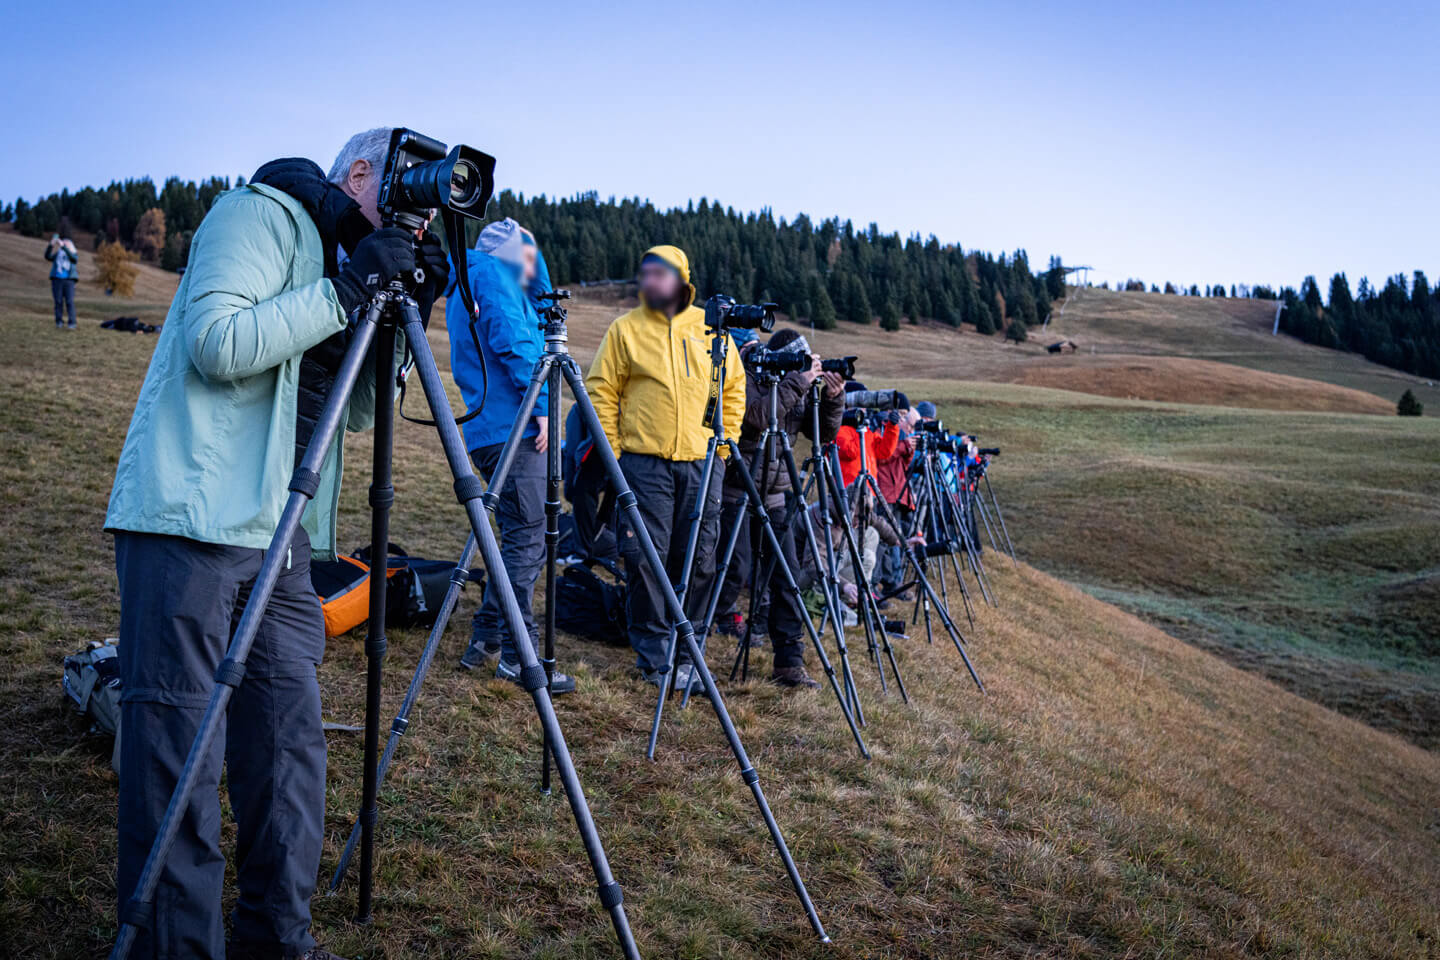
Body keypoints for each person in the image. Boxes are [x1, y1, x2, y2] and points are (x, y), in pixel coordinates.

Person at [103, 127, 447, 960]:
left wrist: (398, 319)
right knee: (177, 752)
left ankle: (276, 940)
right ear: (359, 172)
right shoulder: (260, 214)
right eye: (412, 186)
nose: (425, 209)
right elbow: (217, 345)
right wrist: (344, 289)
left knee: (288, 749)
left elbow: (357, 415)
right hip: (192, 519)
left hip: (282, 535)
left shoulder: (351, 264)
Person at [586, 245, 745, 692]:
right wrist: (614, 452)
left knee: (699, 558)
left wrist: (723, 449)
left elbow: (733, 390)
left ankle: (687, 652)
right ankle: (655, 659)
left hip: (702, 463)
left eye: (659, 273)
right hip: (643, 464)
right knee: (644, 560)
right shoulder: (625, 329)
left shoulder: (711, 331)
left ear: (681, 279)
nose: (649, 280)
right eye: (645, 273)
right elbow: (601, 391)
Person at [448, 218, 575, 694]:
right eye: (526, 252)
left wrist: (530, 255)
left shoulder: (475, 276)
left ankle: (485, 637)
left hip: (493, 428)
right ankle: (520, 657)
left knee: (522, 538)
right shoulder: (493, 277)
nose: (531, 262)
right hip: (514, 427)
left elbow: (541, 309)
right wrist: (542, 406)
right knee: (528, 539)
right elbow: (516, 342)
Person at [715, 329, 845, 688]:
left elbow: (823, 435)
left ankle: (789, 663)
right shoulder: (749, 376)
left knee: (786, 578)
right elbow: (756, 417)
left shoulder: (795, 385)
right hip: (736, 488)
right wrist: (798, 381)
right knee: (731, 566)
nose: (805, 369)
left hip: (774, 496)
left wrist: (833, 399)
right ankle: (696, 640)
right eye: (799, 362)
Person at [876, 401, 925, 598]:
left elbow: (902, 465)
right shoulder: (881, 427)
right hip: (885, 491)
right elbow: (882, 456)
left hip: (896, 492)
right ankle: (885, 583)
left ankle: (893, 582)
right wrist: (905, 446)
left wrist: (909, 449)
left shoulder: (901, 435)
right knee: (884, 540)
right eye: (906, 420)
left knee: (895, 538)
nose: (909, 427)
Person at [45, 221, 80, 329]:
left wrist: (64, 247)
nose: (64, 244)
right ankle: (59, 322)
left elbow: (73, 259)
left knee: (69, 302)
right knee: (58, 302)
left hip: (69, 281)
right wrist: (51, 245)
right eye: (63, 243)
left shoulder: (73, 254)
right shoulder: (58, 255)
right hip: (57, 280)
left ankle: (72, 323)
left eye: (66, 243)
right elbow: (47, 256)